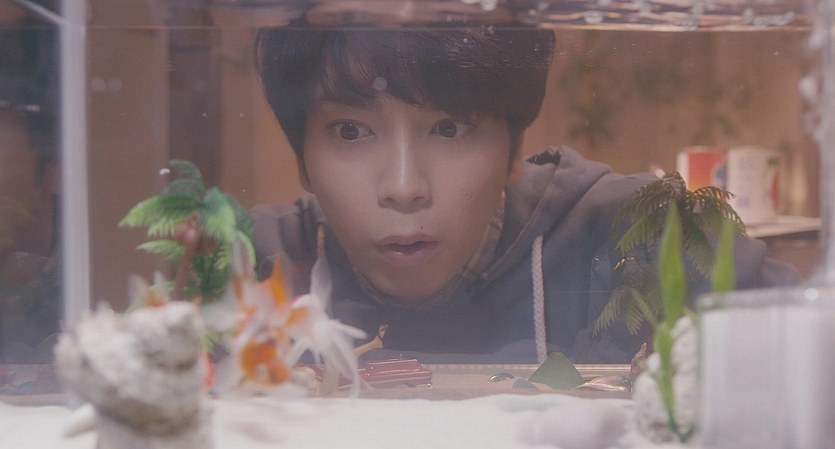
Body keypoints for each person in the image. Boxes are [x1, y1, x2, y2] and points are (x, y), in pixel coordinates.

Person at [251, 26, 798, 364]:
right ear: (301, 157)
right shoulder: (251, 266)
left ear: (515, 150)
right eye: (350, 131)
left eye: (449, 128)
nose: (403, 188)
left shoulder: (637, 236)